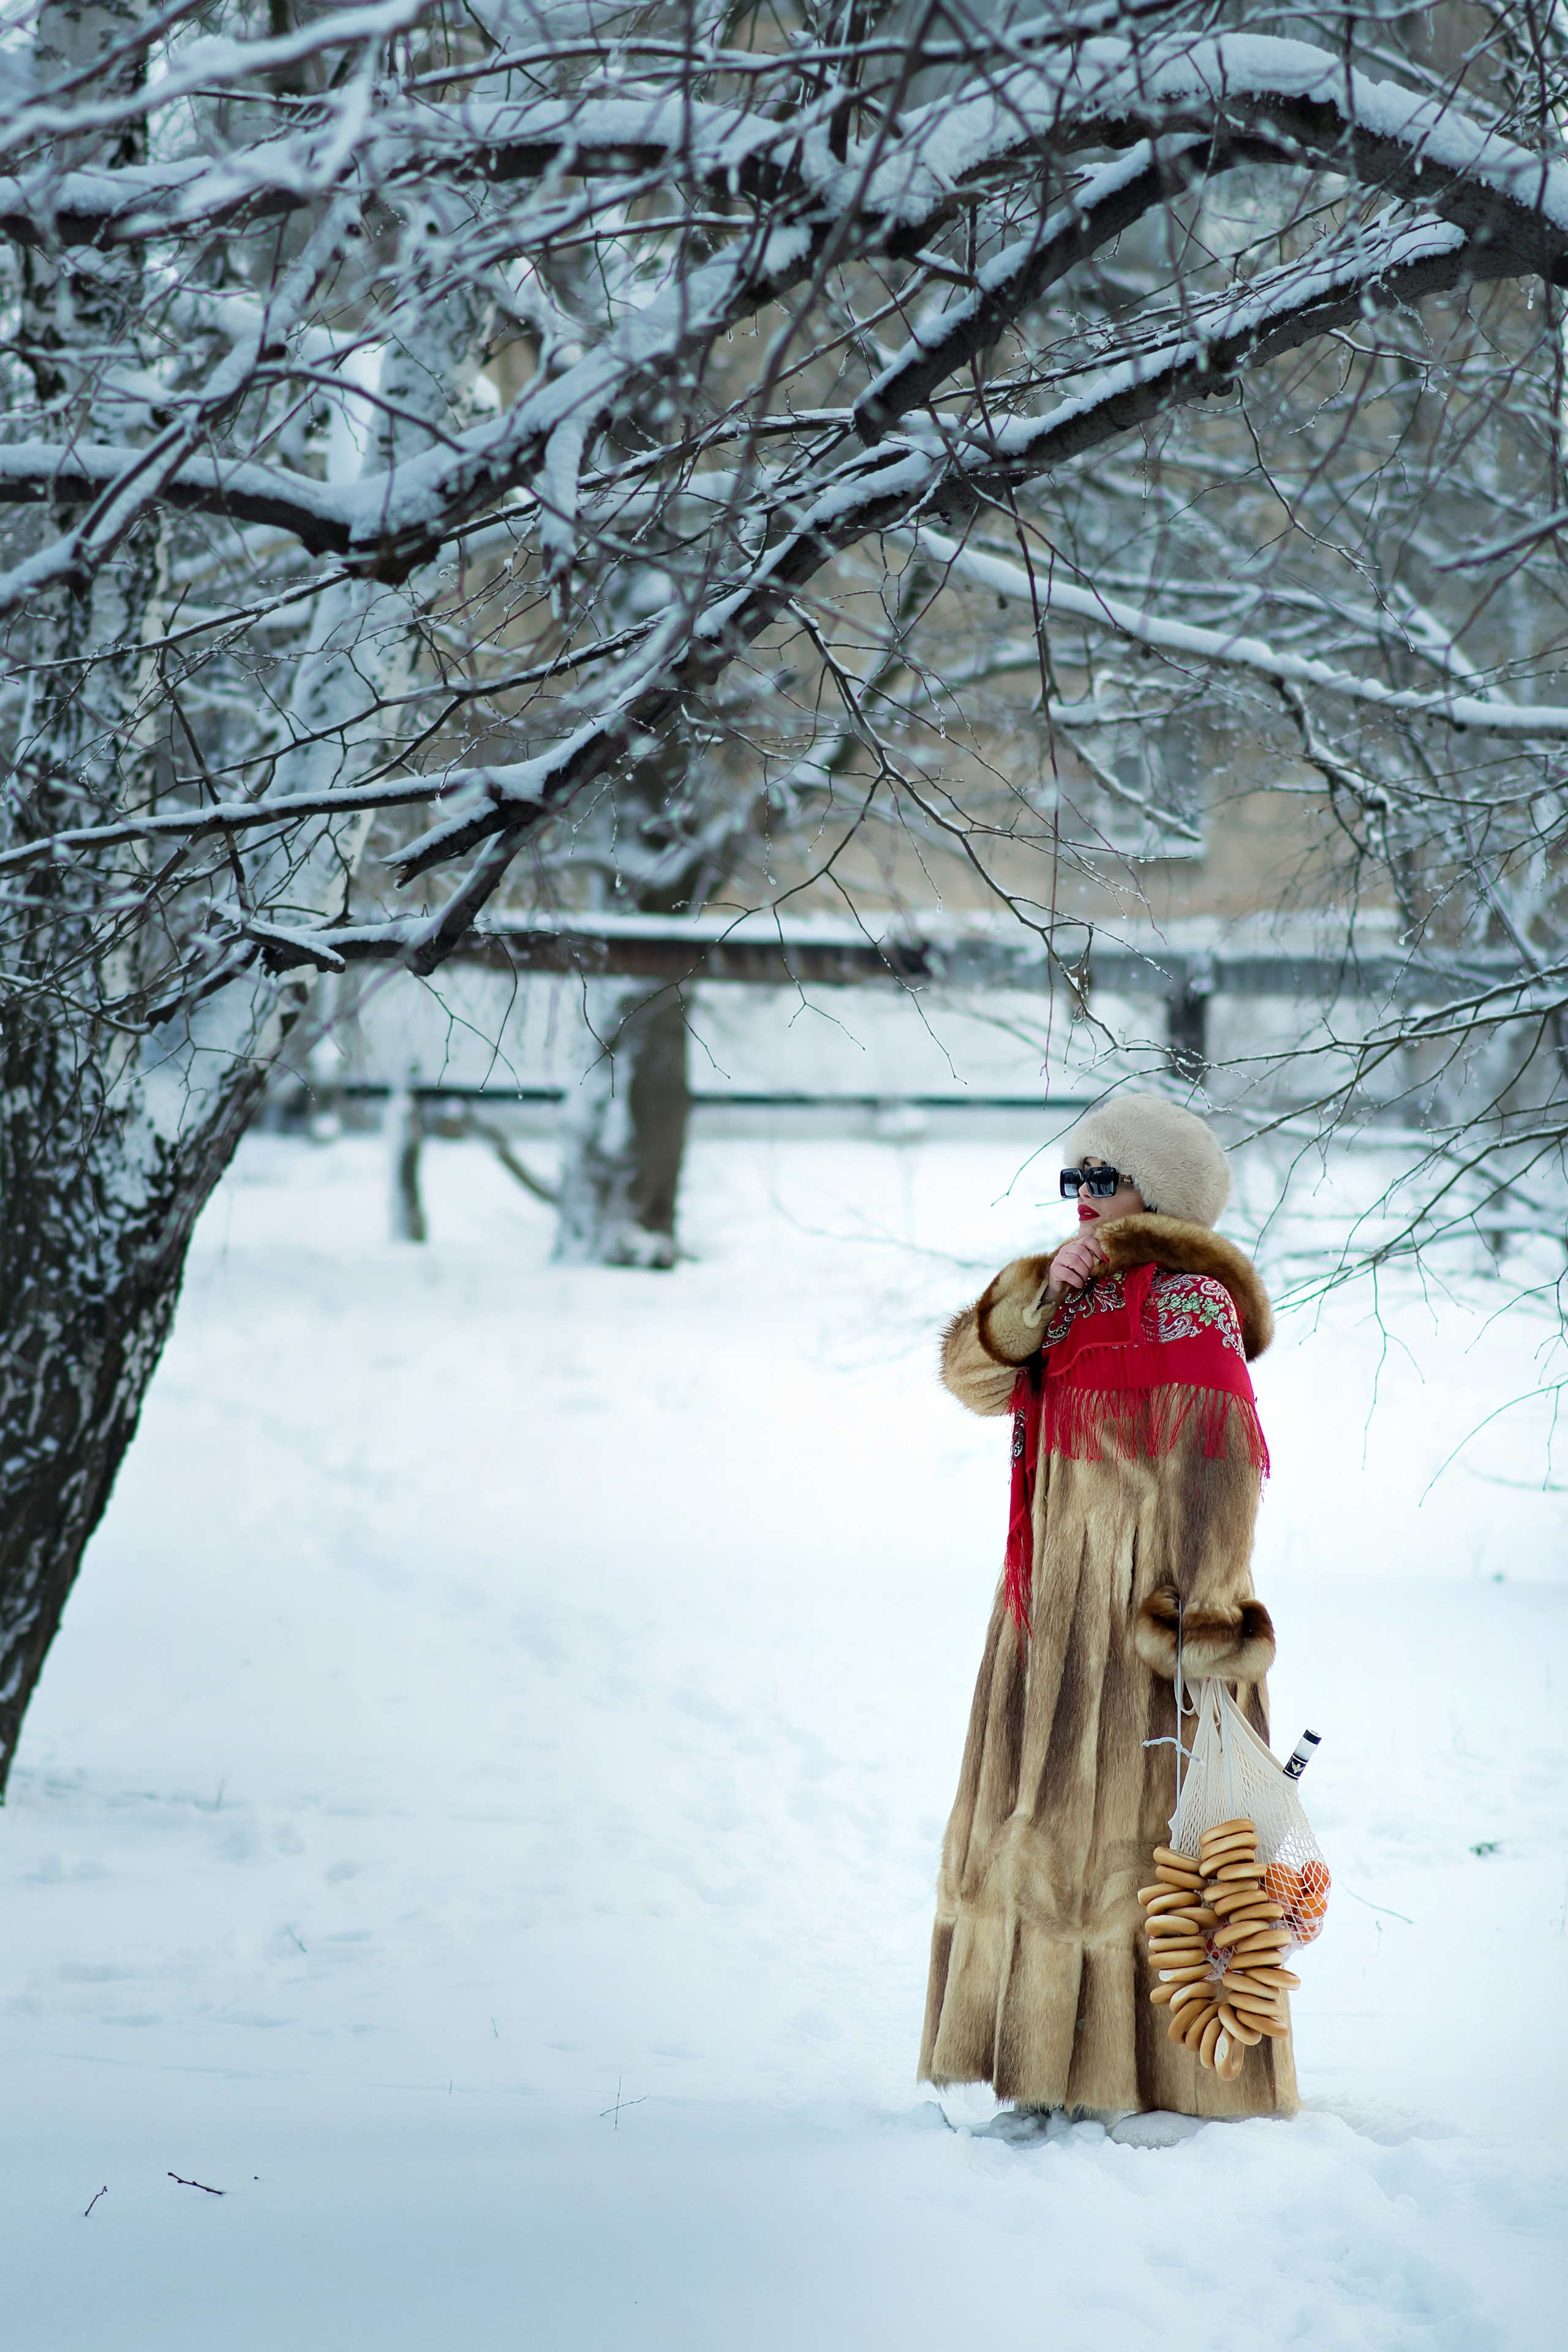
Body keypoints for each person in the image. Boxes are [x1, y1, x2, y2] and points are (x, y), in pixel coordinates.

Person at [919, 1094, 1295, 2125]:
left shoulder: (1190, 1304)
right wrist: (1035, 1296)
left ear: (1158, 1193)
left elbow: (1222, 1473)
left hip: (1147, 1614)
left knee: (1146, 1844)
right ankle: (1044, 2067)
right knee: (1036, 1827)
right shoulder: (1071, 1290)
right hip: (1047, 1612)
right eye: (1074, 1179)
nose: (1083, 1200)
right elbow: (972, 1379)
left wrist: (1205, 1624)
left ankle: (1155, 2083)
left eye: (1105, 1179)